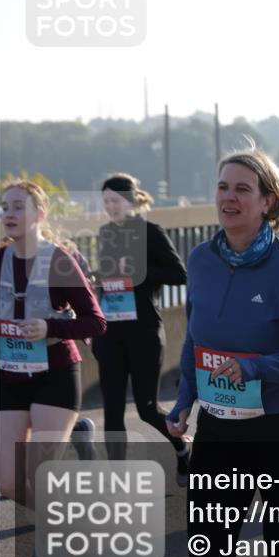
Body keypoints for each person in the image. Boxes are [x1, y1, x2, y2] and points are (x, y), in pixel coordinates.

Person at [165, 145, 279, 557]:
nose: (230, 197)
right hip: (219, 428)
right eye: (223, 187)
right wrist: (184, 401)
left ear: (268, 202)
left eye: (243, 188)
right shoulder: (200, 260)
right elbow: (195, 341)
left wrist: (255, 368)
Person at [0, 181, 106, 557]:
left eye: (18, 206)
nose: (8, 213)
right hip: (8, 376)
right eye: (4, 206)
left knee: (41, 472)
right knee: (8, 481)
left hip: (56, 374)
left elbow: (95, 321)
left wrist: (50, 326)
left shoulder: (59, 260)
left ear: (40, 213)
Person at [92, 174, 191, 477]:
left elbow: (179, 274)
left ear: (132, 201)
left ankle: (182, 448)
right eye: (106, 201)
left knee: (147, 408)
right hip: (111, 331)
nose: (111, 206)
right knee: (112, 407)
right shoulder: (106, 233)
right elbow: (111, 282)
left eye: (116, 200)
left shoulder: (150, 232)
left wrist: (140, 271)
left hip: (144, 330)